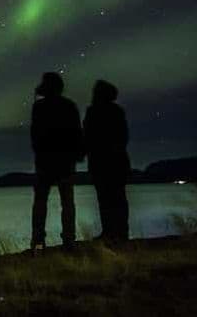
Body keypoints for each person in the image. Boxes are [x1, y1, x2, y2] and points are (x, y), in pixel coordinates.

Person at [30, 72, 84, 250]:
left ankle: (38, 240)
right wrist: (78, 154)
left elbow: (35, 134)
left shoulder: (39, 107)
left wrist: (39, 151)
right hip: (65, 161)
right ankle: (69, 240)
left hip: (45, 161)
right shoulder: (69, 106)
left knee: (41, 202)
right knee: (67, 202)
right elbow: (77, 133)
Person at [84, 80, 130, 242]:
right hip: (117, 162)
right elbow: (123, 137)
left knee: (105, 198)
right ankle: (120, 232)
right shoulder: (117, 111)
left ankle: (110, 232)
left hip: (101, 162)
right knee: (118, 198)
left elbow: (87, 137)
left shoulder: (93, 112)